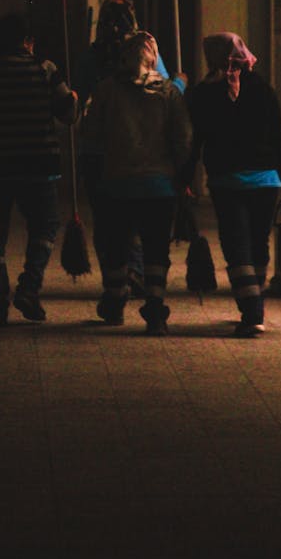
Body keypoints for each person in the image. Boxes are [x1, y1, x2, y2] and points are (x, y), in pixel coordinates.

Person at [0, 12, 79, 326]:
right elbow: (68, 115)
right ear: (27, 42)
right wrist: (73, 98)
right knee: (44, 226)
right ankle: (29, 287)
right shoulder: (44, 69)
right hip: (37, 165)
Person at [182, 32, 281, 338]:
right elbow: (279, 136)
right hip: (267, 181)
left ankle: (252, 311)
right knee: (258, 243)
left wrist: (185, 178)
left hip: (227, 183)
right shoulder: (262, 88)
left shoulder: (202, 94)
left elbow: (193, 141)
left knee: (237, 246)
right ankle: (255, 303)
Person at [80, 30, 192, 334]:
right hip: (160, 186)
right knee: (157, 250)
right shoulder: (168, 92)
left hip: (118, 183)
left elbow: (91, 135)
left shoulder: (106, 90)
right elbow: (182, 139)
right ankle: (155, 307)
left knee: (116, 245)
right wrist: (185, 177)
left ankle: (115, 301)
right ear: (152, 58)